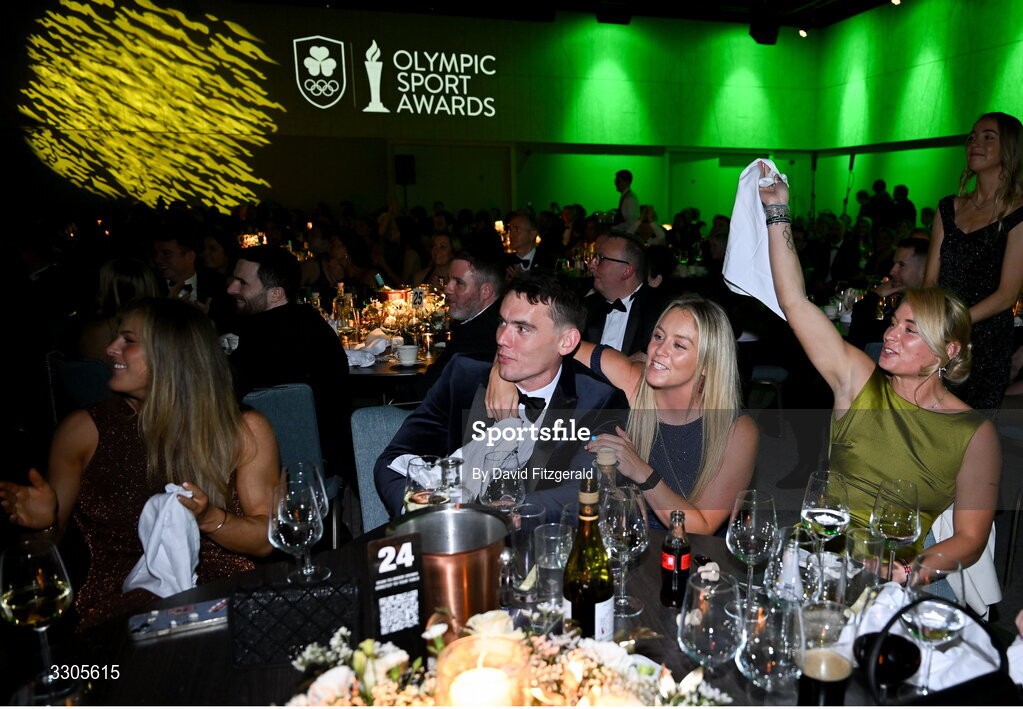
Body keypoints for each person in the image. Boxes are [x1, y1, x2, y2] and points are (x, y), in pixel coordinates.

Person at [757, 161, 999, 578]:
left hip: (900, 571)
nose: (890, 335)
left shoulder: (974, 433)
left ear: (948, 350)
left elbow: (971, 539)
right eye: (893, 323)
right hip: (820, 550)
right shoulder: (858, 380)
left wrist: (905, 572)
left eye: (910, 330)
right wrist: (778, 211)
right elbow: (795, 303)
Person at [0, 298, 279, 630]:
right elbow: (41, 556)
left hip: (225, 604)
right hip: (120, 618)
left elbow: (265, 540)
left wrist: (209, 518)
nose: (111, 349)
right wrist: (41, 525)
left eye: (128, 341)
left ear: (171, 354)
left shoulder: (241, 429)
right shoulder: (82, 432)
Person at [489, 295, 757, 533]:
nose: (658, 351)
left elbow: (701, 527)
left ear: (708, 364)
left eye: (679, 346)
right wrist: (501, 375)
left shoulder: (736, 429)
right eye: (659, 337)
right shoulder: (634, 381)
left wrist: (642, 472)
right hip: (623, 532)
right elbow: (548, 341)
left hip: (692, 554)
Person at [374, 271, 627, 518]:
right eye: (502, 322)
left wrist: (493, 512)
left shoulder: (599, 400)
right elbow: (392, 462)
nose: (502, 338)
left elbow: (584, 489)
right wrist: (420, 509)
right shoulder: (464, 376)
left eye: (523, 329)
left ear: (567, 342)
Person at [226, 246, 352, 486]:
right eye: (234, 279)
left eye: (242, 283)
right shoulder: (314, 325)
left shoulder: (260, 337)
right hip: (326, 464)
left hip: (269, 472)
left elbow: (221, 396)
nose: (231, 288)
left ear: (275, 294)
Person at [924, 111, 1023, 412]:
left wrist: (954, 323)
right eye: (972, 137)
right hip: (940, 333)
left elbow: (1007, 295)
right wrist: (930, 324)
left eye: (988, 137)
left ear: (1009, 148)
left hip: (986, 341)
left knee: (970, 435)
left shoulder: (1019, 213)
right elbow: (930, 281)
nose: (975, 143)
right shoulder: (948, 207)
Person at [583, 232, 667, 357]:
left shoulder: (661, 310)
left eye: (601, 259)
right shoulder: (586, 307)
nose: (591, 265)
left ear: (626, 270)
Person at [847, 237, 929, 350]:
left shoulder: (929, 311)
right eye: (894, 264)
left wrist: (873, 296)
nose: (892, 271)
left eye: (901, 265)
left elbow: (860, 341)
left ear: (925, 271)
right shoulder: (903, 301)